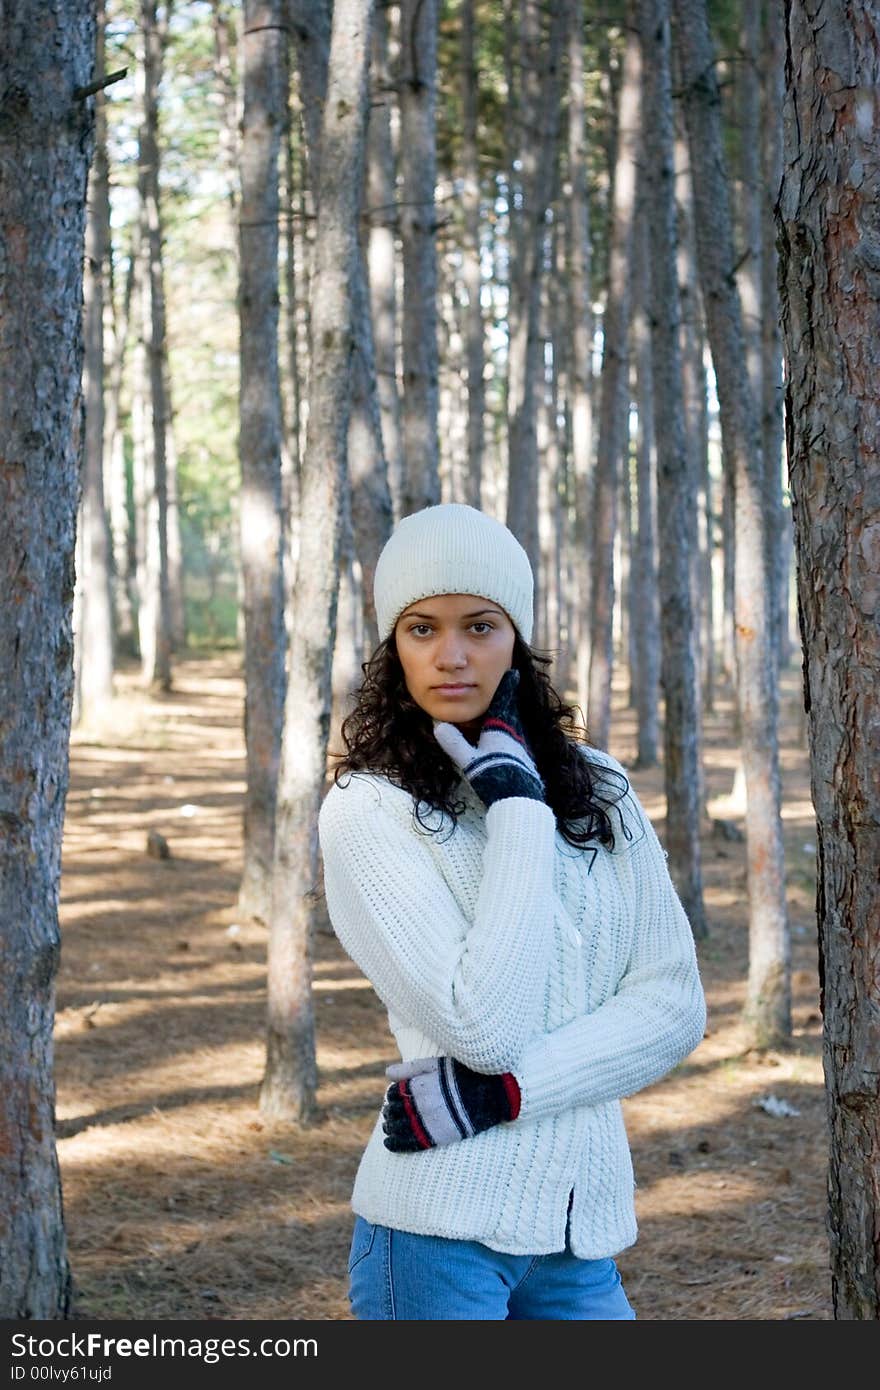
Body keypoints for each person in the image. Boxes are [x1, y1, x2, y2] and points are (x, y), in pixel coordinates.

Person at [317, 502, 706, 1321]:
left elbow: (673, 1007)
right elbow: (481, 1024)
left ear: (517, 640)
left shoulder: (601, 787)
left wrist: (502, 1096)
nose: (451, 656)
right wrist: (518, 810)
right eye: (421, 629)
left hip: (576, 1237)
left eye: (480, 626)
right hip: (434, 1240)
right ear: (393, 646)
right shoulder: (367, 810)